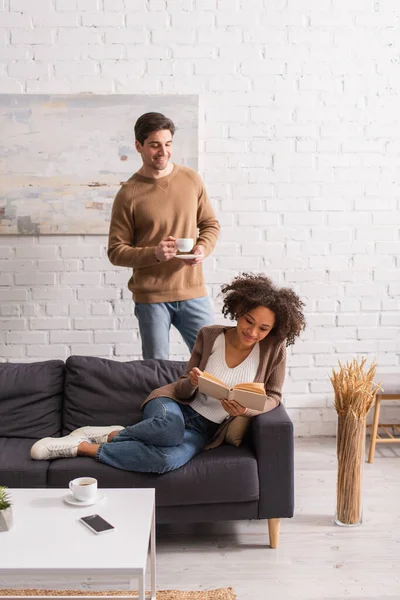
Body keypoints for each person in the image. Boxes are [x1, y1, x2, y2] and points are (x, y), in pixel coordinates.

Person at [31, 273, 306, 473]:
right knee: (169, 429)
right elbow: (183, 387)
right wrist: (194, 382)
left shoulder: (273, 349)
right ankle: (96, 438)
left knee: (166, 460)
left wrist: (246, 411)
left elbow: (273, 396)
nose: (253, 332)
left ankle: (87, 444)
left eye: (263, 328)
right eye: (249, 321)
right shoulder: (210, 335)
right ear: (239, 310)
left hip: (206, 429)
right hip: (174, 405)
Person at [107, 111, 220, 359]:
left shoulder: (191, 179)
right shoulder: (129, 194)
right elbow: (116, 251)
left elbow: (210, 224)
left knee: (213, 363)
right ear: (139, 146)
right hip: (151, 299)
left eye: (168, 144)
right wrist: (155, 254)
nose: (163, 151)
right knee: (156, 371)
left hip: (193, 292)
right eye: (154, 145)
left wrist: (203, 248)